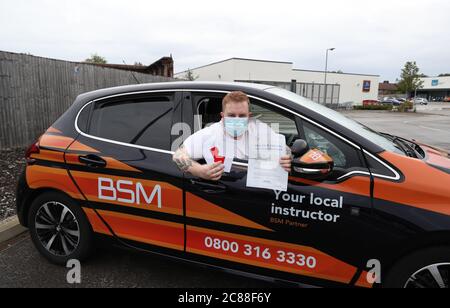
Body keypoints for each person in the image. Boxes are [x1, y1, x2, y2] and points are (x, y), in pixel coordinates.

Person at [172, 91, 292, 181]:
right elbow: (178, 156)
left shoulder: (259, 129)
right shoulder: (210, 134)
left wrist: (287, 157)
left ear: (249, 116)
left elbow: (285, 149)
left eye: (242, 116)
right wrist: (200, 171)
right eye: (231, 115)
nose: (237, 119)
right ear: (222, 115)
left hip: (259, 193)